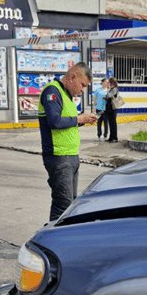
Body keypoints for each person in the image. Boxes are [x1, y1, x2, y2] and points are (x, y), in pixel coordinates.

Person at [38, 62, 97, 221]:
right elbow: (55, 121)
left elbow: (68, 122)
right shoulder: (52, 92)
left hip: (70, 156)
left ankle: (59, 239)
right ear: (72, 77)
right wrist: (79, 118)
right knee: (62, 206)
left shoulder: (67, 96)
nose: (82, 90)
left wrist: (83, 120)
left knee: (70, 204)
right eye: (82, 85)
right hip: (59, 156)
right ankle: (53, 242)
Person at [104, 77, 120, 143]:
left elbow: (108, 96)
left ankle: (115, 138)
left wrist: (107, 89)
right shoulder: (112, 89)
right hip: (109, 108)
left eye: (108, 82)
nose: (108, 83)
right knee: (110, 123)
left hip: (112, 108)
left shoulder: (114, 89)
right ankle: (111, 137)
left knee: (113, 124)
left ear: (111, 82)